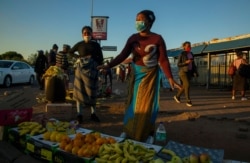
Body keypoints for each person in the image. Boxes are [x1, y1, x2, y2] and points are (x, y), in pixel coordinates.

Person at [98, 10, 181, 143]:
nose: (137, 22)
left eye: (141, 19)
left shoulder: (157, 39)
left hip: (150, 77)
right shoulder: (133, 38)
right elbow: (122, 55)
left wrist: (170, 78)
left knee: (147, 106)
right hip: (136, 75)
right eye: (136, 19)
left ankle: (148, 133)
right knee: (132, 104)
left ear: (149, 21)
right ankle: (128, 131)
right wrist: (109, 65)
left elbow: (163, 60)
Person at [69, 26, 104, 123]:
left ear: (92, 34)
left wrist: (95, 63)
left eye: (88, 33)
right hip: (80, 71)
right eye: (85, 33)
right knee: (79, 92)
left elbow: (100, 58)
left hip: (92, 72)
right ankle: (79, 115)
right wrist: (79, 57)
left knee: (92, 93)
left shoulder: (95, 45)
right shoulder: (79, 44)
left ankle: (93, 114)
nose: (87, 35)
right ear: (82, 34)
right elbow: (70, 52)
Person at [173, 41, 198, 107]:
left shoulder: (191, 54)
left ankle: (177, 96)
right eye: (188, 46)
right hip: (183, 72)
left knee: (185, 86)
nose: (189, 47)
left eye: (190, 46)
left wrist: (195, 71)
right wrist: (186, 62)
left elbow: (193, 64)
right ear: (184, 47)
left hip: (189, 72)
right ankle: (188, 101)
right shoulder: (182, 54)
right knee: (187, 85)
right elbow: (178, 64)